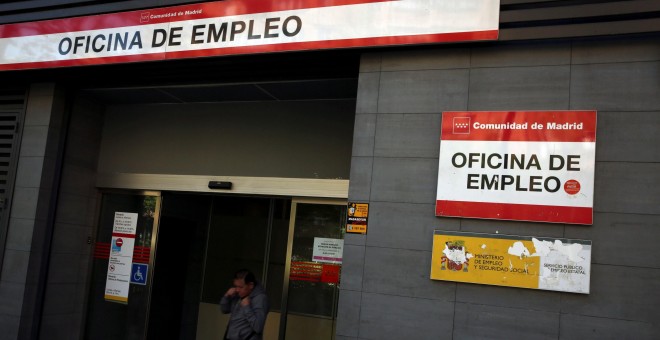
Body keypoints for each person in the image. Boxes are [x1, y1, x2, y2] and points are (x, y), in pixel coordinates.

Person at [220, 269, 269, 340]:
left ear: (251, 285)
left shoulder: (261, 299)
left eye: (240, 287)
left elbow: (258, 327)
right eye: (236, 286)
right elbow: (224, 310)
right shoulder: (239, 294)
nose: (237, 289)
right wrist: (226, 296)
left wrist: (247, 307)